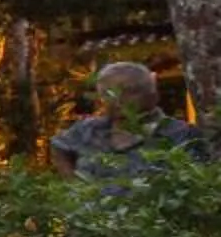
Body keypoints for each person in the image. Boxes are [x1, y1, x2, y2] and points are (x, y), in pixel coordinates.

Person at [50, 62, 206, 187]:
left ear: (152, 93)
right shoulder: (87, 129)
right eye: (108, 93)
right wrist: (76, 189)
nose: (119, 100)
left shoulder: (180, 135)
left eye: (129, 91)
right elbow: (59, 146)